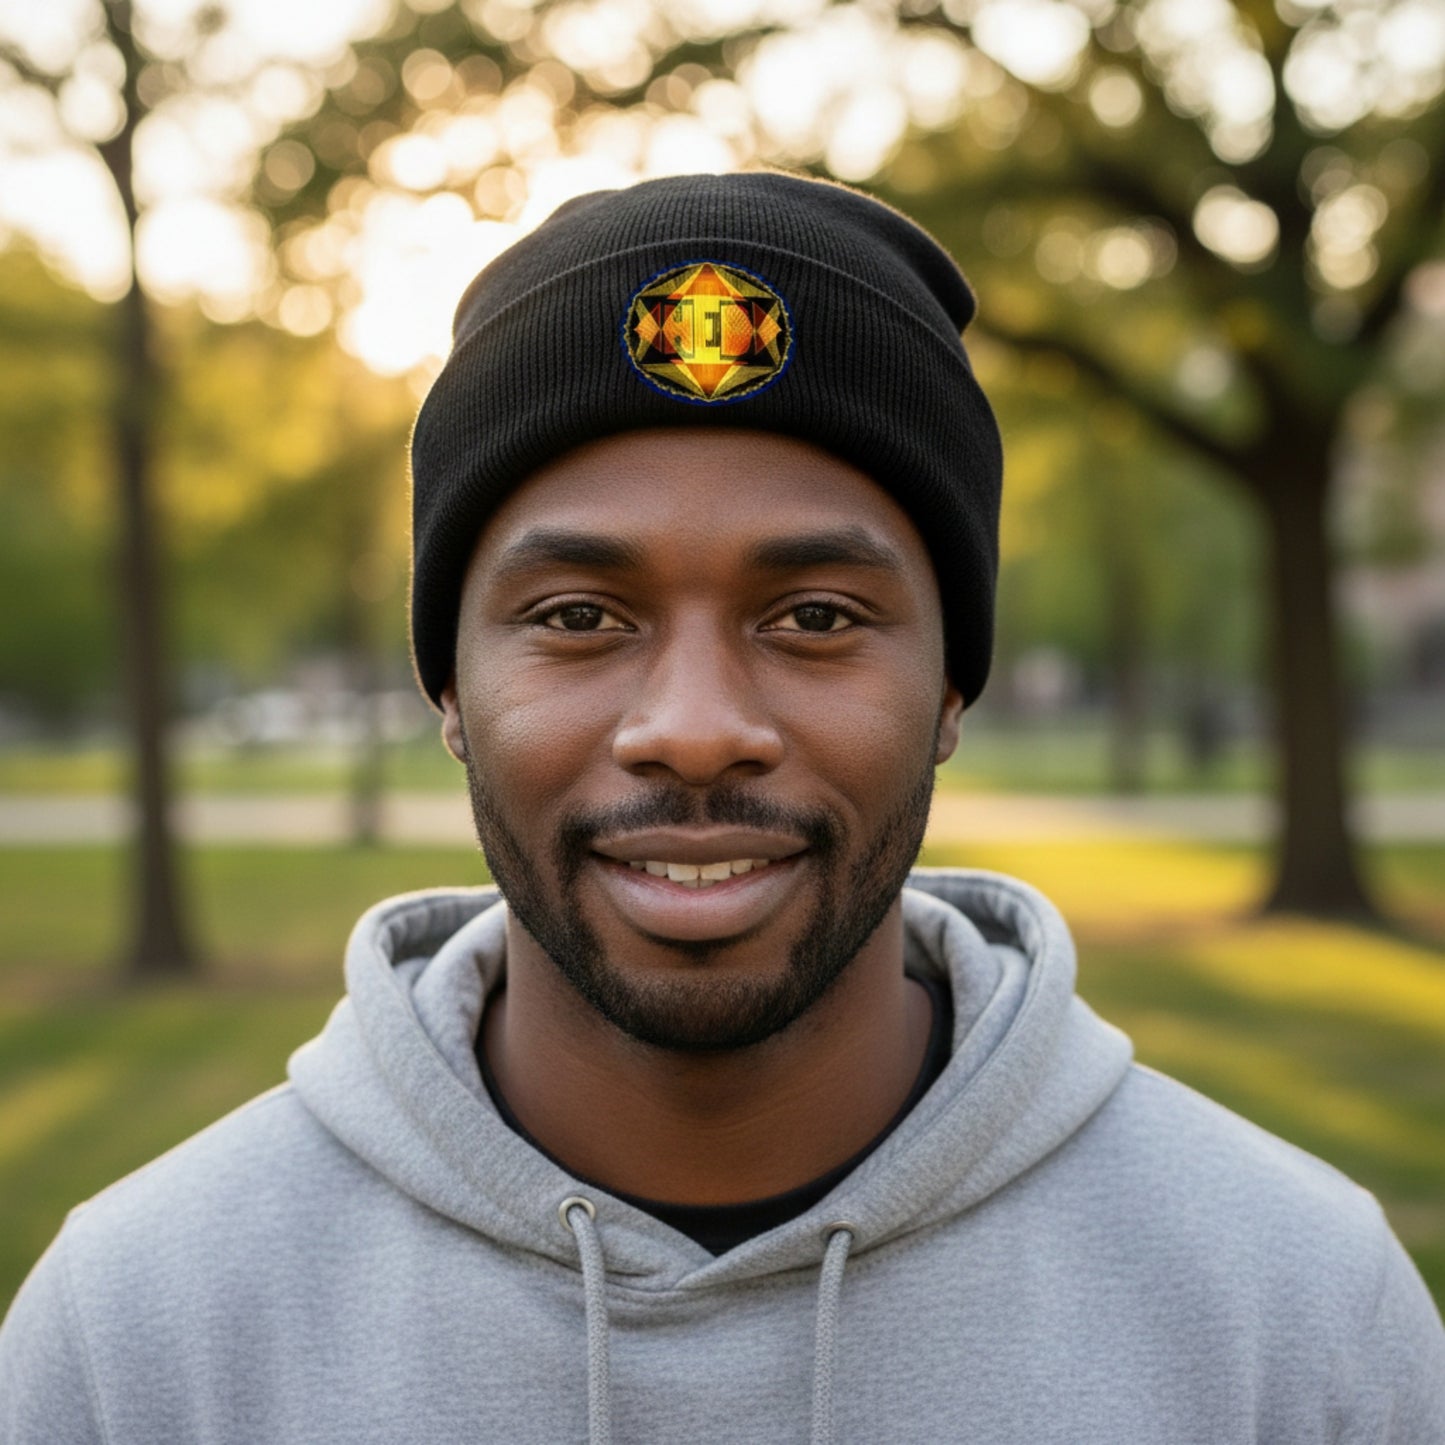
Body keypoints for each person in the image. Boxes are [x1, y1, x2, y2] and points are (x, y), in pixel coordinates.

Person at [2, 171, 1442, 1444]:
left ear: (954, 688)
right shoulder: (137, 1332)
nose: (693, 728)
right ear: (445, 684)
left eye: (815, 613)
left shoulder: (1295, 1311)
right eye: (576, 613)